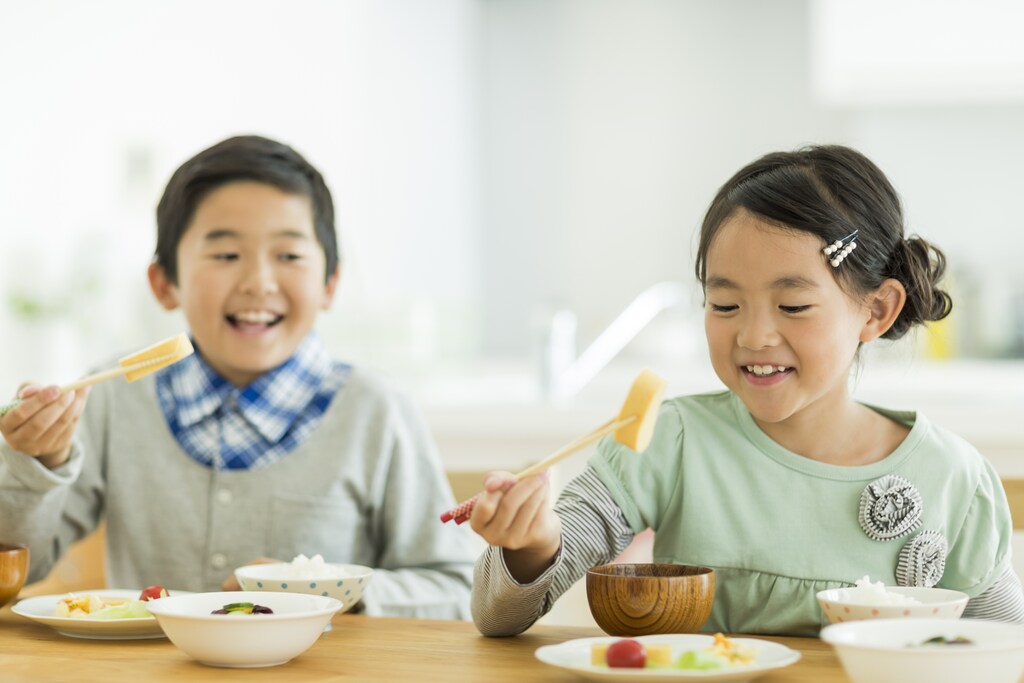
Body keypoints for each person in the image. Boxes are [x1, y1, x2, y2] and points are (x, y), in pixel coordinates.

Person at [468, 144, 1024, 636]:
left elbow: (1009, 651)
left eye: (793, 307)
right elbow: (499, 618)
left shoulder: (954, 479)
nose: (754, 336)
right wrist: (532, 542)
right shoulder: (671, 440)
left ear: (876, 310)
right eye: (725, 305)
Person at [0, 135, 476, 619]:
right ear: (164, 284)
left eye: (289, 256)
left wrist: (339, 593)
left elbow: (459, 587)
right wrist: (38, 463)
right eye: (226, 255)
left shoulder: (376, 409)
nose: (258, 282)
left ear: (330, 284)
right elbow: (22, 566)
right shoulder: (113, 396)